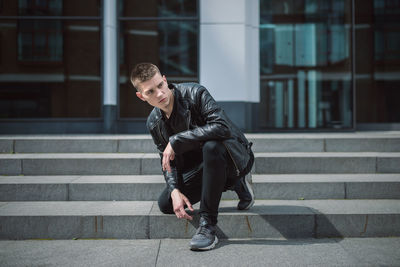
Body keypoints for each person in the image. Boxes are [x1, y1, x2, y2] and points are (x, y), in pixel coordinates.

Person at [131, 63, 254, 251]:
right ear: (141, 97)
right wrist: (174, 190)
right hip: (201, 168)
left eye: (160, 86)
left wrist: (176, 140)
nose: (159, 94)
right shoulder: (154, 122)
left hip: (233, 157)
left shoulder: (195, 93)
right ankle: (230, 184)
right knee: (166, 204)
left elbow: (223, 127)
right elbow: (166, 160)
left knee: (211, 147)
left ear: (165, 80)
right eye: (150, 92)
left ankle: (208, 224)